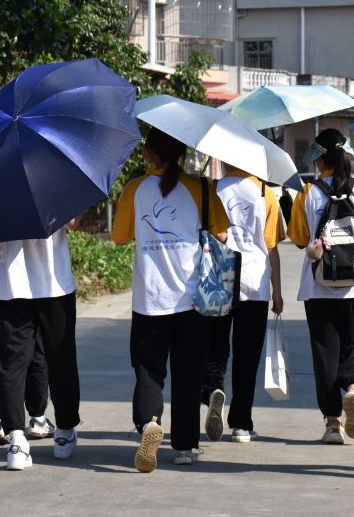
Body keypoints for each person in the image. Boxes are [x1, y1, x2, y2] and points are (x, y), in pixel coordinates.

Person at [112, 128, 230, 473]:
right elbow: (222, 233)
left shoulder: (135, 189)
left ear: (148, 154)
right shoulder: (199, 189)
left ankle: (149, 424)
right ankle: (184, 446)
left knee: (149, 370)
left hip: (150, 299)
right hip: (193, 299)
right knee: (188, 371)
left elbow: (119, 237)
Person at [288, 128, 354, 445]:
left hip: (318, 285)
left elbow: (300, 238)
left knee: (325, 353)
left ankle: (332, 424)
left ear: (319, 159)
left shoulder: (307, 193)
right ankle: (353, 390)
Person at [200, 164, 285, 444]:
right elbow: (272, 246)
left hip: (219, 277)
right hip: (255, 281)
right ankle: (241, 424)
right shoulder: (265, 193)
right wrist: (277, 291)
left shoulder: (214, 189)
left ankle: (213, 389)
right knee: (247, 357)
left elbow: (207, 232)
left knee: (215, 346)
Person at [0, 221, 82, 471]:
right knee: (61, 357)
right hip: (55, 282)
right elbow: (73, 223)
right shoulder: (57, 182)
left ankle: (17, 443)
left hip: (12, 283)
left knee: (11, 364)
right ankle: (64, 433)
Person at [0, 235, 55, 446]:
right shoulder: (38, 202)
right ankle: (37, 417)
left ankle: (3, 422)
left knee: (1, 357)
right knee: (37, 351)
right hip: (31, 285)